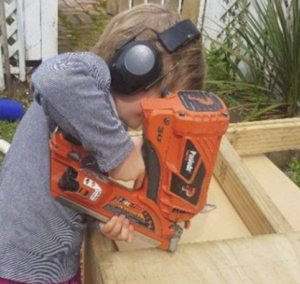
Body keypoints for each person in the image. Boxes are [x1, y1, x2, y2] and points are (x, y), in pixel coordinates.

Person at [0, 3, 205, 284]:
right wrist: (121, 154)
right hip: (21, 264)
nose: (161, 119)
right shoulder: (91, 75)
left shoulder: (109, 120)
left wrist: (107, 216)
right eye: (165, 101)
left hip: (58, 260)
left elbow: (82, 181)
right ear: (137, 68)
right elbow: (50, 76)